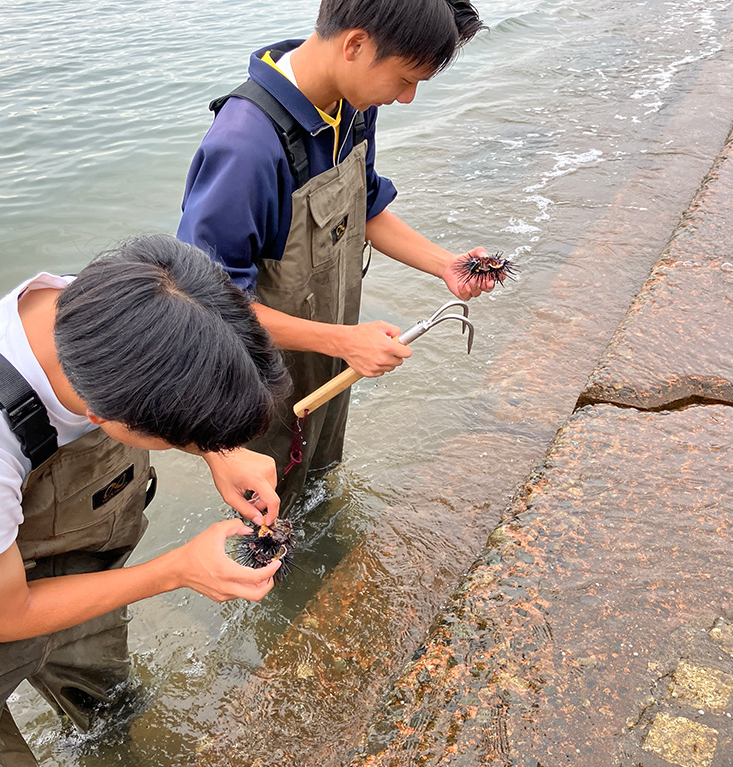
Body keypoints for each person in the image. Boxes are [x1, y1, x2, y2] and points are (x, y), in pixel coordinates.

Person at [0, 234, 291, 767]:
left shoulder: (126, 311)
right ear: (104, 418)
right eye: (176, 438)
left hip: (75, 556)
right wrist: (177, 571)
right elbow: (2, 615)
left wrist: (221, 452)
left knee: (112, 709)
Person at [177, 0, 495, 511]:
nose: (408, 98)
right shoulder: (246, 147)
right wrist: (344, 340)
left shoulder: (353, 105)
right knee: (268, 511)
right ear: (355, 45)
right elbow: (208, 304)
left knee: (320, 482)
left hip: (331, 358)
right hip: (262, 382)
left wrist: (444, 264)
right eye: (405, 79)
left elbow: (365, 205)